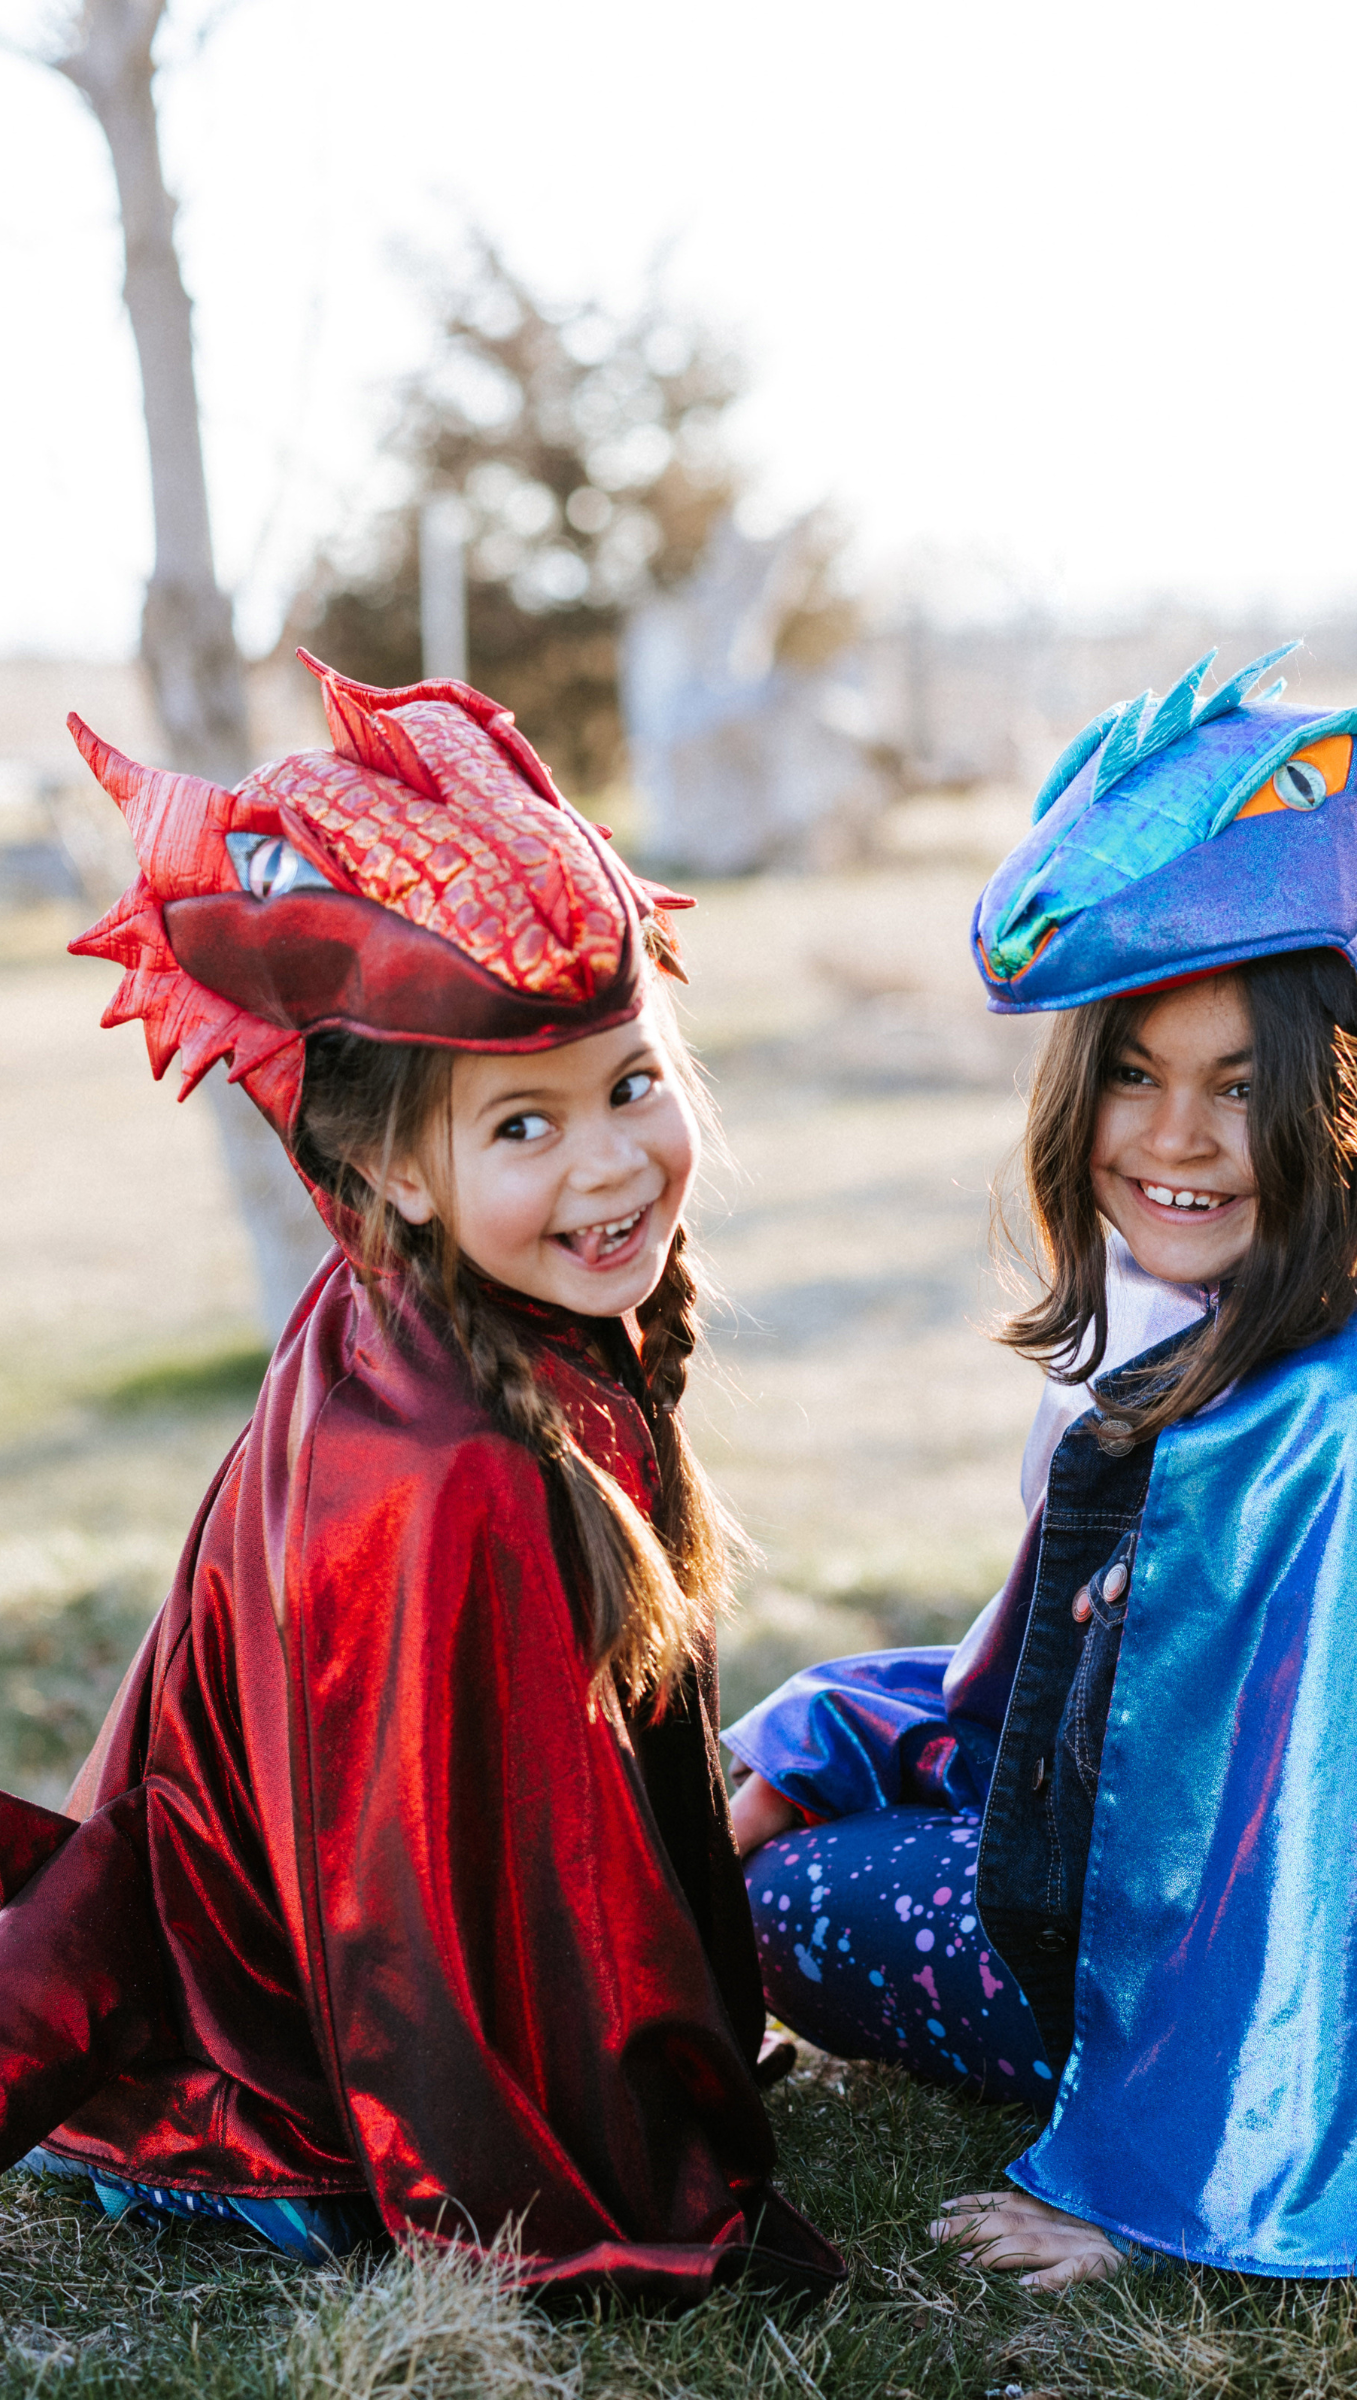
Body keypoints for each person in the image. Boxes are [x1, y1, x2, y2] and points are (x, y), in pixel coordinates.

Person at [725, 644, 1357, 2289]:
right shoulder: (1302, 1298)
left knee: (798, 1908)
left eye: (1245, 1088)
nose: (1175, 1138)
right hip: (1150, 1862)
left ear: (1349, 1095)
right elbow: (1060, 1699)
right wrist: (819, 1737)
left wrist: (1165, 2187)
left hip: (1250, 1960)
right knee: (770, 1816)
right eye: (1135, 1070)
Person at [0, 655, 841, 2303]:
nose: (609, 1160)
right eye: (521, 1126)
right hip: (288, 2054)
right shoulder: (439, 1461)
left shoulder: (493, 1311)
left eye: (632, 1082)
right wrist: (603, 2191)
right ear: (388, 1164)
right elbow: (432, 1884)